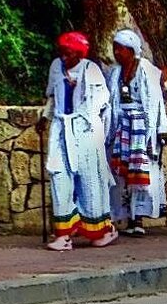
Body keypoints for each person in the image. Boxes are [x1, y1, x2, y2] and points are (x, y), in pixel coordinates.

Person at [35, 31, 118, 250]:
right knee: (59, 177)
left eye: (68, 53)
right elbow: (53, 97)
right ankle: (63, 235)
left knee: (90, 181)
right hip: (61, 130)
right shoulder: (56, 67)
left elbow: (101, 104)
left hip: (86, 132)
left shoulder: (91, 70)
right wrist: (45, 117)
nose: (64, 57)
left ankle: (102, 230)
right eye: (61, 52)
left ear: (79, 54)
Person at [106, 28, 167, 236]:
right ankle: (123, 216)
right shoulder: (115, 73)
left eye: (121, 49)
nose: (117, 52)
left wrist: (160, 130)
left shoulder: (146, 70)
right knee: (121, 173)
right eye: (115, 48)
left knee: (140, 173)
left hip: (142, 128)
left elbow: (156, 103)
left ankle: (138, 219)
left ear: (132, 50)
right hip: (121, 126)